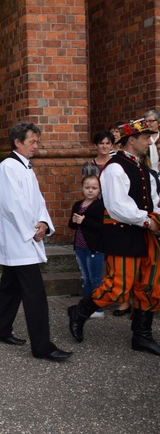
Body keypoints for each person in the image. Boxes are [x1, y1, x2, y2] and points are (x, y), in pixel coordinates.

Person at [68, 118, 160, 356]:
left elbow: (154, 200)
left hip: (143, 235)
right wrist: (148, 220)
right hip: (122, 235)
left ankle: (141, 336)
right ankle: (79, 311)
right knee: (117, 288)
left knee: (147, 286)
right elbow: (118, 206)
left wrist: (156, 217)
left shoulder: (143, 169)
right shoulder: (115, 167)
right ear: (132, 140)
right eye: (146, 137)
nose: (150, 141)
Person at [0, 122, 72, 362]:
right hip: (17, 239)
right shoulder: (8, 167)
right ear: (17, 142)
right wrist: (31, 231)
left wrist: (44, 223)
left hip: (26, 236)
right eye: (32, 142)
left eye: (37, 141)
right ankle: (42, 347)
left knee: (11, 286)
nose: (36, 146)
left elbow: (37, 200)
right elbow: (12, 205)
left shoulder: (25, 167)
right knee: (35, 293)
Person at [68, 175, 105, 318]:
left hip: (94, 247)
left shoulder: (99, 206)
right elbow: (72, 226)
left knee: (95, 278)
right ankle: (85, 307)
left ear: (99, 190)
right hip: (80, 246)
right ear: (82, 189)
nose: (90, 191)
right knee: (85, 277)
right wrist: (74, 220)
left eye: (94, 188)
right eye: (87, 188)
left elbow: (102, 227)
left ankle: (98, 309)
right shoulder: (78, 205)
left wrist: (84, 221)